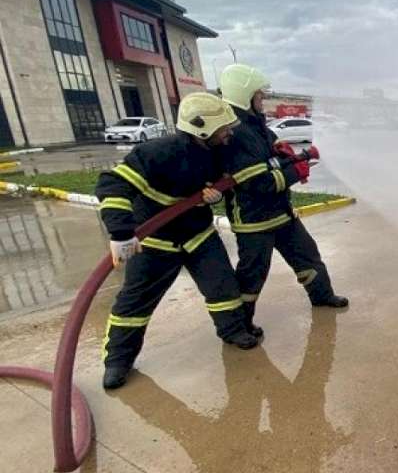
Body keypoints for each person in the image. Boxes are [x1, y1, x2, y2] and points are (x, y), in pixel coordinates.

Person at [96, 92, 259, 390]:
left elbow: (234, 171)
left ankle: (233, 331)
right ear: (202, 129)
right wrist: (121, 233)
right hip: (156, 240)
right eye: (223, 129)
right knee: (134, 303)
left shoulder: (218, 151)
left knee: (223, 288)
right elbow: (112, 184)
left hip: (198, 235)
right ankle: (118, 361)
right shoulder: (158, 153)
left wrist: (214, 193)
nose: (228, 134)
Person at [216, 64, 347, 339]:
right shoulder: (234, 132)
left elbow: (270, 159)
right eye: (259, 95)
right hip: (254, 220)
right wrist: (294, 171)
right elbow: (257, 182)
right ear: (244, 95)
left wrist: (286, 155)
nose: (263, 99)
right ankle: (239, 328)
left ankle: (322, 296)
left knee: (308, 255)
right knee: (252, 277)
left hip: (281, 213)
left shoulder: (255, 124)